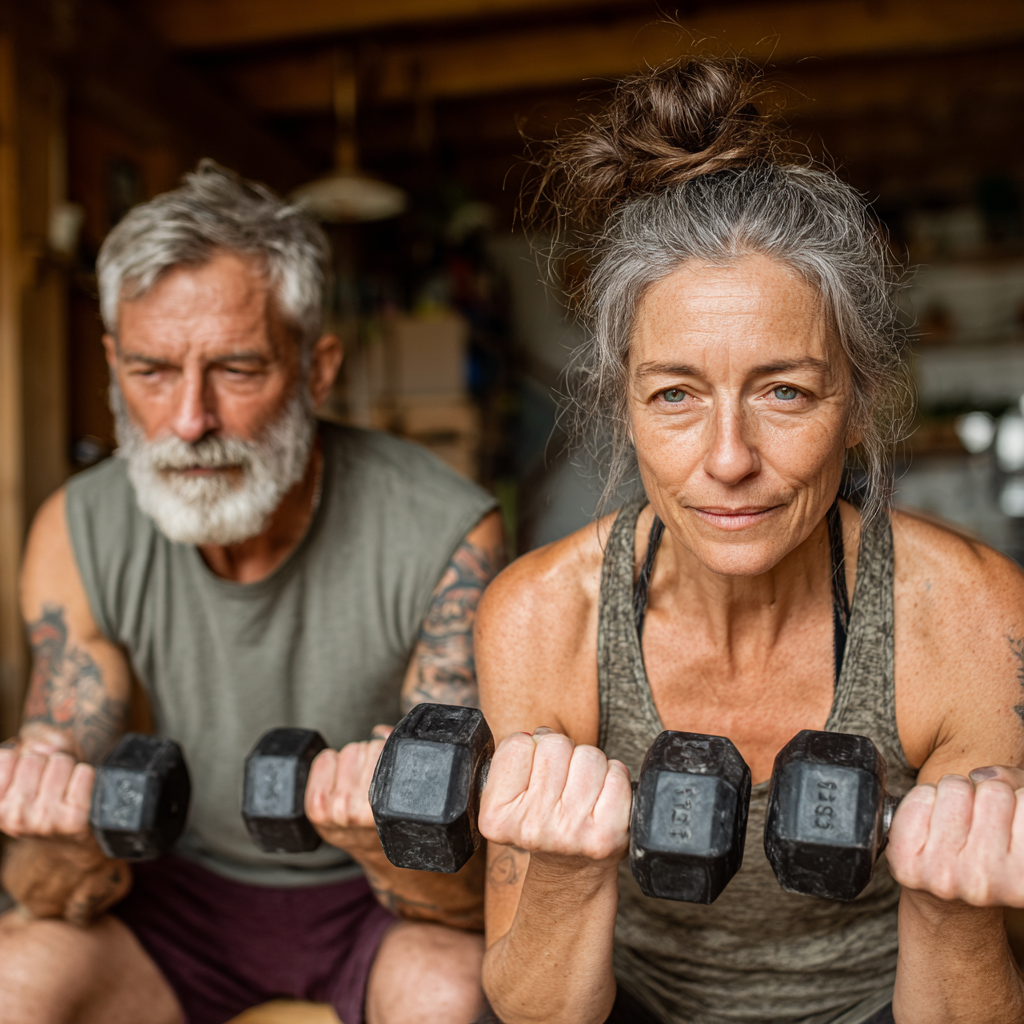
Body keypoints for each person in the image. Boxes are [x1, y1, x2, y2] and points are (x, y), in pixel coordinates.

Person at [474, 59, 1024, 1024]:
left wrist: (951, 903)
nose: (729, 460)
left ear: (857, 402)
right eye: (676, 395)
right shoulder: (540, 620)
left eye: (785, 391)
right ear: (625, 409)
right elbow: (535, 1009)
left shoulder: (975, 617)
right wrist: (562, 874)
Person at [0, 161, 502, 1024]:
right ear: (114, 360)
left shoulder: (447, 534)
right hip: (180, 896)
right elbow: (38, 883)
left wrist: (375, 843)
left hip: (370, 903)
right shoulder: (74, 531)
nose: (190, 422)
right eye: (152, 372)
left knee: (452, 998)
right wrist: (61, 837)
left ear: (317, 369)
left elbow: (463, 894)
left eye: (237, 370)